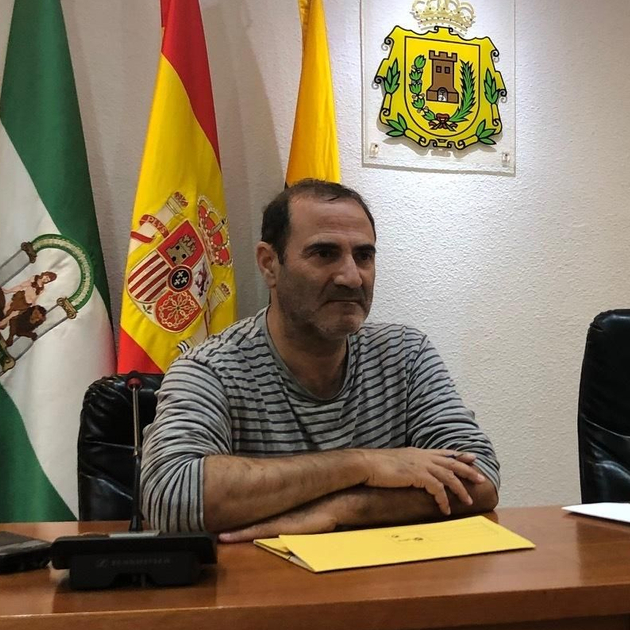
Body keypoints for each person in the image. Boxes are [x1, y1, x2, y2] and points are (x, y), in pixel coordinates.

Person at [140, 179, 499, 540]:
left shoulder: (405, 354)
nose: (351, 277)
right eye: (324, 253)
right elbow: (172, 497)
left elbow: (480, 479)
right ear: (269, 265)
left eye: (364, 256)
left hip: (386, 585)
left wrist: (341, 510)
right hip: (264, 588)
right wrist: (361, 464)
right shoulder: (210, 369)